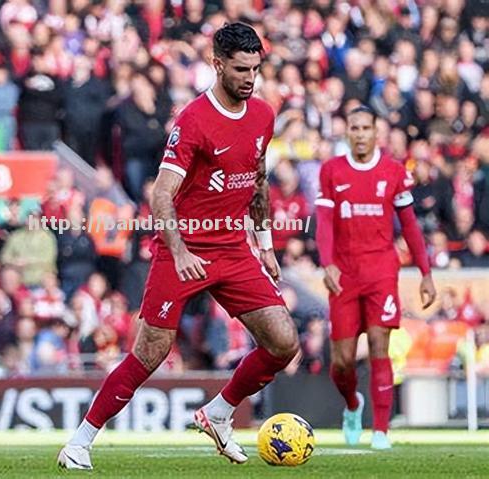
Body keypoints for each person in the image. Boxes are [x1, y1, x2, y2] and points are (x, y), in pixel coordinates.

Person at [58, 23, 299, 470]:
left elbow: (258, 180)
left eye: (256, 69)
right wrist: (183, 250)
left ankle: (219, 412)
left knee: (284, 342)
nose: (250, 78)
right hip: (182, 249)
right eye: (241, 69)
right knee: (150, 352)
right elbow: (161, 195)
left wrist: (263, 242)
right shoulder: (193, 120)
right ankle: (80, 441)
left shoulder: (263, 115)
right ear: (217, 64)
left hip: (233, 249)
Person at [314, 105, 437, 451]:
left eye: (366, 128)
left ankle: (381, 431)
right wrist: (327, 263)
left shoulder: (393, 172)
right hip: (344, 273)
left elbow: (410, 225)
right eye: (354, 128)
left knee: (381, 346)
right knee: (341, 360)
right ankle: (353, 405)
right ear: (347, 132)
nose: (361, 134)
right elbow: (323, 223)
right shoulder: (331, 171)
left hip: (382, 271)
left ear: (376, 131)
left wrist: (426, 273)